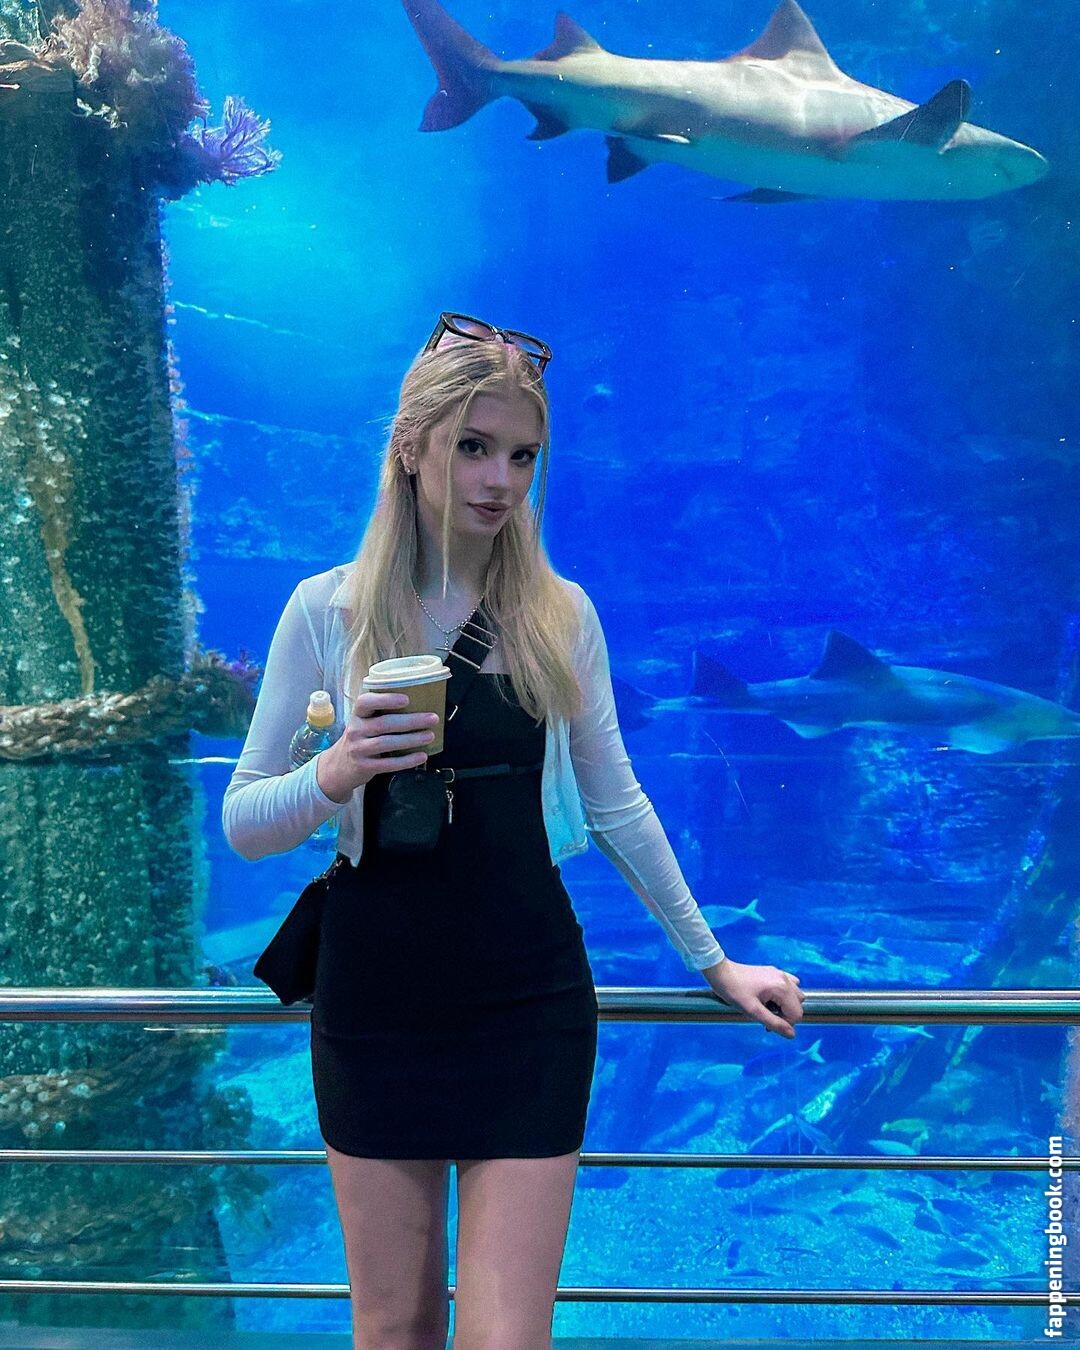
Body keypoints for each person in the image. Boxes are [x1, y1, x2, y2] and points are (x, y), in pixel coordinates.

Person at [222, 311, 805, 1350]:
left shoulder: (560, 613)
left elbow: (618, 802)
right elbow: (244, 821)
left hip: (527, 997)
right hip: (376, 995)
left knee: (508, 1338)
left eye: (523, 455)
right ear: (412, 449)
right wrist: (338, 767)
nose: (500, 480)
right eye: (474, 447)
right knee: (394, 1327)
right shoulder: (326, 610)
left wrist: (712, 960)